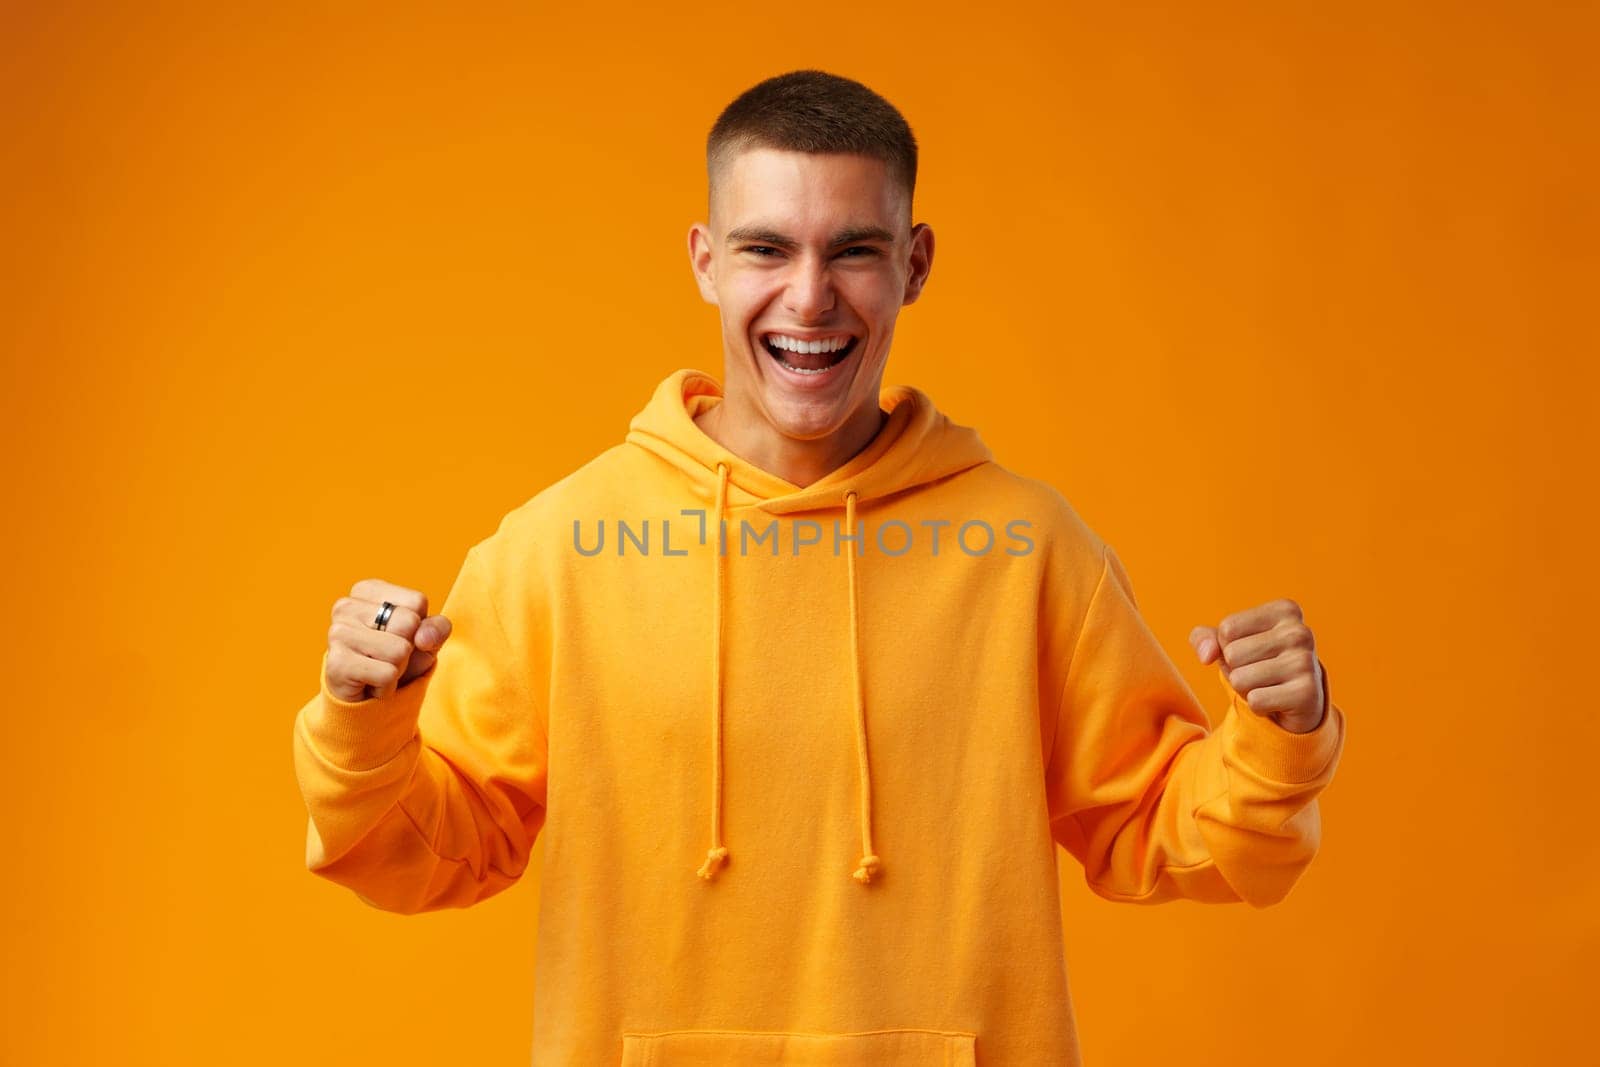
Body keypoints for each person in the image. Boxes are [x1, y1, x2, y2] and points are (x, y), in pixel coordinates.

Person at [292, 68, 1346, 1066]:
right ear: (705, 260)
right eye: (765, 249)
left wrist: (1275, 743)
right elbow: (426, 854)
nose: (808, 298)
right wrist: (363, 722)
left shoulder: (1025, 546)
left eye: (852, 250)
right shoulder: (561, 546)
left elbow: (1155, 830)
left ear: (914, 263)